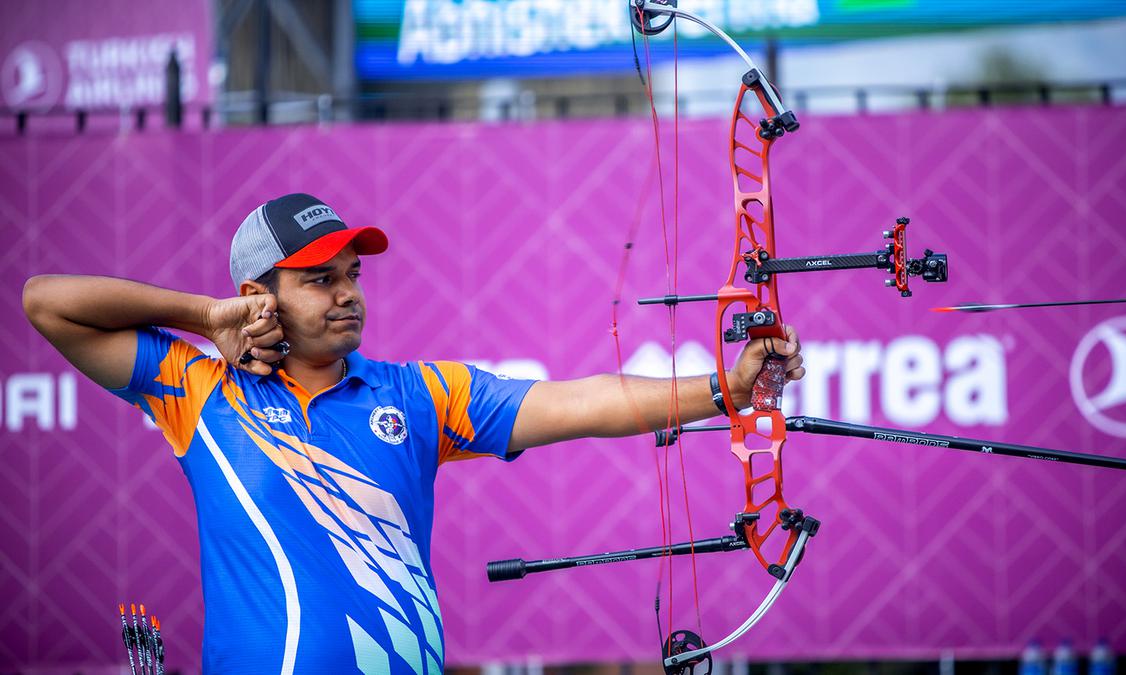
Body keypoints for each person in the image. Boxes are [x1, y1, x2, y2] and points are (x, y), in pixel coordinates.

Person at [22, 193, 805, 674]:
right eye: (318, 278)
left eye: (353, 275)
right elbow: (44, 301)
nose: (347, 294)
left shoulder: (420, 394)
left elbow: (579, 402)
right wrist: (204, 317)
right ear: (256, 295)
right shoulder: (198, 391)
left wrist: (725, 387)